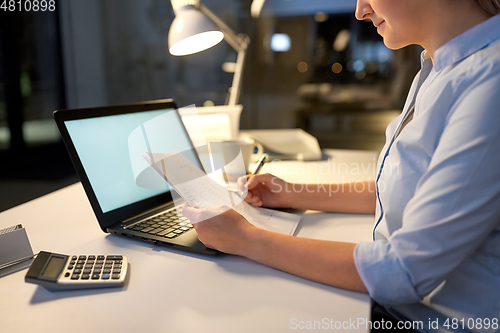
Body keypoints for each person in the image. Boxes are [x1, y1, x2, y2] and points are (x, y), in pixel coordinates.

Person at [183, 0, 500, 331]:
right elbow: (403, 189)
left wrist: (247, 238)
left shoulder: (489, 81)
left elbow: (404, 272)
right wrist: (292, 193)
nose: (360, 11)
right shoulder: (438, 65)